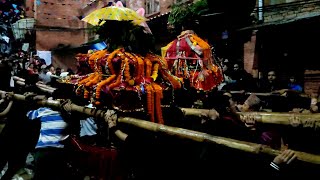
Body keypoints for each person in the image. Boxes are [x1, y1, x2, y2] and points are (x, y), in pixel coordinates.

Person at [26, 106, 72, 180]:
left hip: (44, 150)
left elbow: (29, 114)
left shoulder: (43, 110)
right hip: (58, 151)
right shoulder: (70, 113)